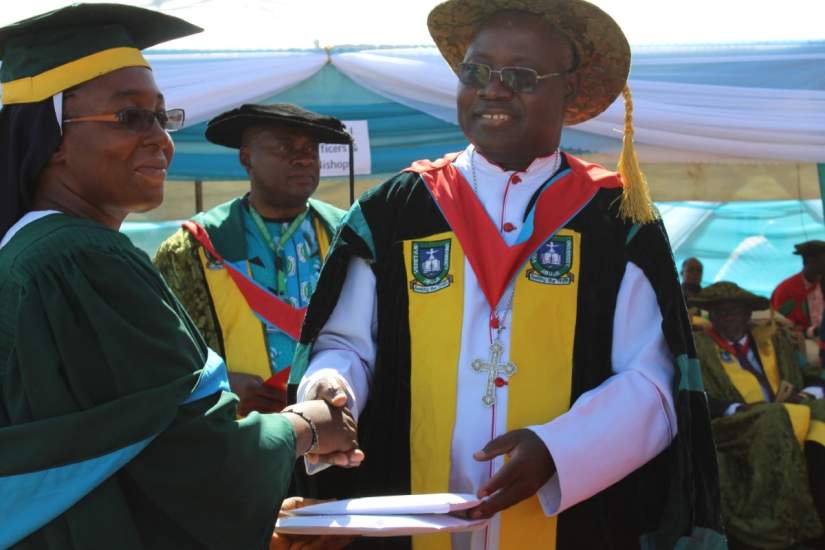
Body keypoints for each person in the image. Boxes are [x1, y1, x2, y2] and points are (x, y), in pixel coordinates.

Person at [289, 1, 723, 549]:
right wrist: (332, 385)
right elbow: (347, 345)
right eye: (476, 72)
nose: (493, 89)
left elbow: (651, 380)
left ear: (570, 89)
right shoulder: (397, 210)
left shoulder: (615, 218)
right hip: (410, 509)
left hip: (568, 519)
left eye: (520, 76)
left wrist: (559, 450)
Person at [0, 4, 361, 549]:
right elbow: (199, 456)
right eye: (129, 117)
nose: (161, 140)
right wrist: (308, 424)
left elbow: (121, 452)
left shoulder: (32, 250)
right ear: (52, 137)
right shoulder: (83, 260)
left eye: (161, 118)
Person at [155, 104, 348, 416]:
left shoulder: (350, 238)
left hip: (332, 428)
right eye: (285, 147)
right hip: (238, 440)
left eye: (311, 148)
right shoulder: (191, 251)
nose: (304, 158)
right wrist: (219, 386)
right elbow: (159, 355)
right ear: (247, 158)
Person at [690, 282, 825, 549]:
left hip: (787, 412)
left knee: (819, 420)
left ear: (748, 314)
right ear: (711, 316)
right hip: (732, 423)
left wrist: (807, 394)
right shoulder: (699, 348)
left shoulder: (772, 340)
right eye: (721, 311)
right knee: (774, 418)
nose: (729, 317)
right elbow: (695, 396)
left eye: (736, 310)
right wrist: (736, 409)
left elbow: (810, 374)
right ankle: (780, 524)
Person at [772, 240, 825, 338]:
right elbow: (783, 328)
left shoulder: (822, 283)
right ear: (811, 261)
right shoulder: (786, 290)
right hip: (802, 344)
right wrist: (815, 331)